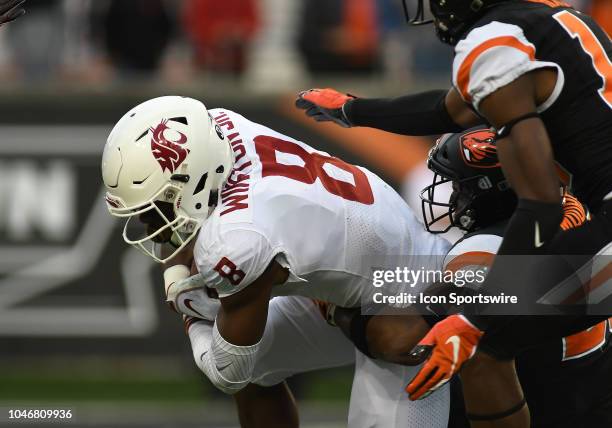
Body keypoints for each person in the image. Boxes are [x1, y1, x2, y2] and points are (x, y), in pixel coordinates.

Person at [296, 0, 612, 423]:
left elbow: (538, 205)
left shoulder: (492, 41)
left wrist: (476, 313)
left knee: (481, 341)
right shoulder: (546, 18)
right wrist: (353, 111)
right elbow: (453, 109)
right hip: (598, 222)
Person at [101, 96, 453, 427]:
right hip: (372, 256)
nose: (150, 225)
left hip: (408, 296)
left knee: (240, 357)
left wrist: (190, 313)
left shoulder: (237, 237)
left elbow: (228, 372)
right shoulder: (220, 127)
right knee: (258, 367)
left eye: (154, 208)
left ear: (190, 181)